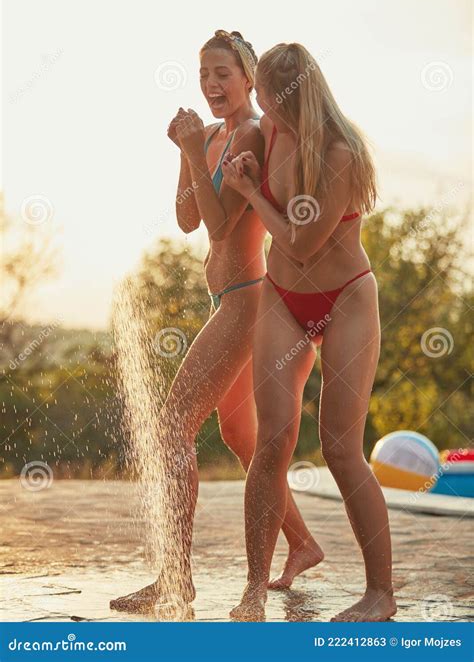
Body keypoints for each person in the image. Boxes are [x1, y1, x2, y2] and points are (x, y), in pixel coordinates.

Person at [110, 32, 321, 614]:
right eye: (203, 73)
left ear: (248, 78)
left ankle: (174, 579)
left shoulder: (250, 132)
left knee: (173, 424)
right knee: (238, 435)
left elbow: (224, 223)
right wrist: (187, 152)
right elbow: (185, 219)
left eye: (223, 73)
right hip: (224, 297)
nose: (211, 84)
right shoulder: (210, 138)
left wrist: (193, 152)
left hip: (246, 301)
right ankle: (303, 544)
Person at [223, 42, 397, 622]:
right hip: (283, 296)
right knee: (272, 442)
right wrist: (240, 172)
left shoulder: (341, 154)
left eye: (270, 102)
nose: (264, 112)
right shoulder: (268, 134)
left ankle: (381, 595)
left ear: (290, 96)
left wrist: (251, 192)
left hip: (345, 297)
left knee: (341, 449)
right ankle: (253, 588)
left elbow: (300, 241)